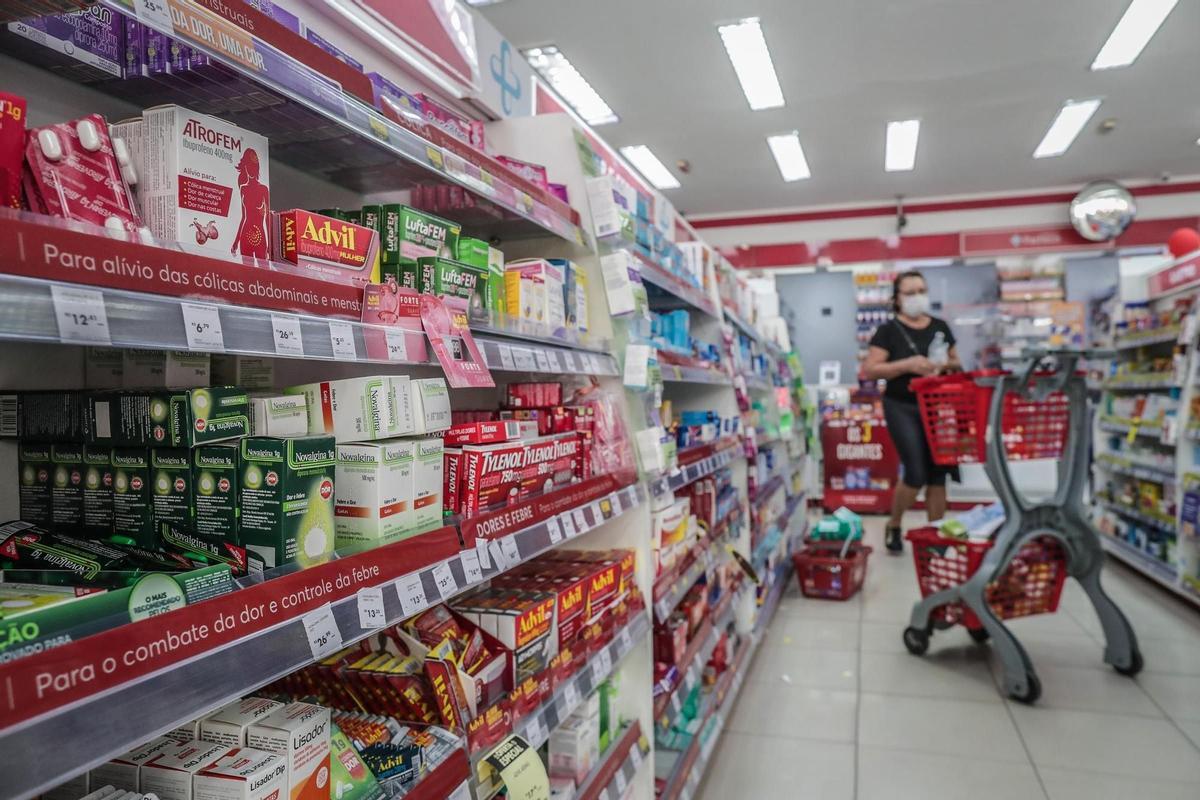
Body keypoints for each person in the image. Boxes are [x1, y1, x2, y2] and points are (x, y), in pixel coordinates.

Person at [862, 270, 961, 553]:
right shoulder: (888, 331)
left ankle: (937, 535)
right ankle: (894, 523)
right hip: (901, 405)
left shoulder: (940, 326)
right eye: (910, 292)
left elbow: (957, 362)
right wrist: (907, 365)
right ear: (897, 299)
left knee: (938, 473)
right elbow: (871, 368)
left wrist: (942, 364)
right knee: (915, 472)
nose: (918, 297)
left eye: (922, 290)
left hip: (938, 406)